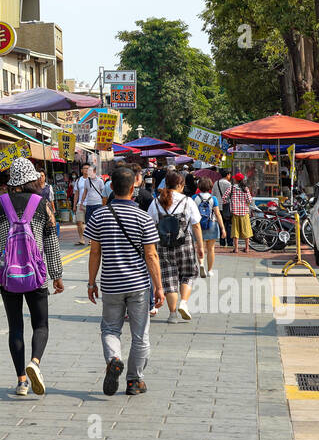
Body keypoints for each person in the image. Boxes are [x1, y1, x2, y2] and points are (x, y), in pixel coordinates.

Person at [0, 157, 65, 396]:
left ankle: (22, 381)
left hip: (7, 276)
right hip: (36, 275)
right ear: (32, 179)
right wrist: (57, 274)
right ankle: (34, 362)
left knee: (15, 327)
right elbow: (51, 242)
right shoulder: (42, 204)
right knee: (41, 325)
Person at [86, 165, 163, 396]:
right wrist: (159, 287)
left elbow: (94, 252)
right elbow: (151, 255)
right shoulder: (143, 217)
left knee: (110, 329)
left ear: (111, 187)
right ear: (133, 188)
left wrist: (91, 283)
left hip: (111, 283)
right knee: (140, 334)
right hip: (138, 284)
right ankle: (134, 381)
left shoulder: (99, 215)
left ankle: (114, 359)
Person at [148, 171, 203, 322]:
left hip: (163, 245)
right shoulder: (187, 201)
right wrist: (200, 246)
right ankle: (183, 303)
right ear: (180, 185)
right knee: (189, 274)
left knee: (169, 278)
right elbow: (196, 225)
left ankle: (173, 315)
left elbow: (150, 225)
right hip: (184, 244)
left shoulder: (156, 202)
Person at [193, 177, 226, 277]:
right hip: (211, 224)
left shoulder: (194, 197)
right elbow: (218, 214)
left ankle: (201, 264)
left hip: (198, 225)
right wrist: (222, 228)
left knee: (200, 247)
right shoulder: (213, 199)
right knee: (211, 249)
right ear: (210, 186)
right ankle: (210, 270)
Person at [75, 163, 107, 245]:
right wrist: (81, 203)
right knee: (89, 223)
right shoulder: (86, 181)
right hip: (89, 204)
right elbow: (84, 193)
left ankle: (95, 239)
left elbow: (103, 193)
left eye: (90, 170)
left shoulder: (100, 181)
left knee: (97, 222)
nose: (88, 172)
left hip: (98, 204)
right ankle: (88, 239)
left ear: (94, 171)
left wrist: (104, 205)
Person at [226, 172, 255, 253]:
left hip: (235, 212)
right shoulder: (246, 189)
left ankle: (236, 249)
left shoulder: (232, 188)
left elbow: (224, 197)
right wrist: (245, 203)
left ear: (236, 180)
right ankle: (247, 248)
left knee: (235, 230)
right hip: (244, 212)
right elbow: (249, 200)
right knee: (246, 229)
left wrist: (230, 202)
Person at [216, 168, 234, 250]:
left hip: (218, 207)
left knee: (221, 225)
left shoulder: (216, 183)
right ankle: (230, 242)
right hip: (227, 207)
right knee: (229, 225)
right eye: (229, 175)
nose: (230, 176)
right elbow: (232, 196)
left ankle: (222, 242)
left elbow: (213, 195)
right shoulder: (229, 184)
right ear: (227, 175)